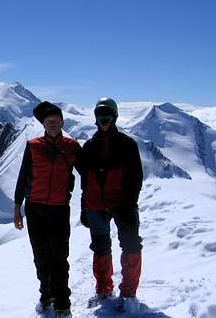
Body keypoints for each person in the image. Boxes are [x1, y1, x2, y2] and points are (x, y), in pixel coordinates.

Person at [13, 101, 82, 318]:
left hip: (59, 209)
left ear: (62, 121)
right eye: (48, 121)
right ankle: (46, 294)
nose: (52, 124)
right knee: (41, 256)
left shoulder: (72, 147)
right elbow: (23, 177)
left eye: (56, 120)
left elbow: (88, 173)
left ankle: (63, 301)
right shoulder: (33, 145)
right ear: (43, 123)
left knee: (59, 257)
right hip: (34, 209)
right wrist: (17, 209)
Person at [80, 97, 143, 312]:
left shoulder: (127, 145)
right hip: (96, 204)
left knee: (131, 245)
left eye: (107, 115)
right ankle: (104, 289)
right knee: (100, 247)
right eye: (100, 115)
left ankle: (128, 294)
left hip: (122, 204)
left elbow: (136, 177)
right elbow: (85, 180)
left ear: (114, 117)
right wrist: (83, 206)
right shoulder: (88, 147)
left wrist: (129, 203)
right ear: (95, 118)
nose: (103, 119)